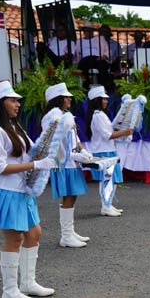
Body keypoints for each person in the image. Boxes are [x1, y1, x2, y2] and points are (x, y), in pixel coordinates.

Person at [0, 81, 56, 298]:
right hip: (5, 191)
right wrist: (36, 165)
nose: (18, 104)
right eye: (12, 100)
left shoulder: (14, 126)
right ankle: (9, 292)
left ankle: (28, 283)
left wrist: (69, 155)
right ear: (0, 104)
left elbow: (34, 151)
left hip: (21, 190)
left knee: (34, 233)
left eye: (17, 100)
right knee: (14, 239)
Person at [42, 83, 91, 247]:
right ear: (58, 99)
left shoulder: (66, 115)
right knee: (68, 196)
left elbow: (75, 137)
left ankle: (70, 231)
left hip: (72, 162)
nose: (70, 98)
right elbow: (52, 144)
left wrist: (82, 150)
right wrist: (71, 155)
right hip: (63, 163)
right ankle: (66, 236)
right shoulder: (51, 118)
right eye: (66, 96)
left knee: (73, 195)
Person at [84, 86, 134, 215]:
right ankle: (105, 207)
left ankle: (108, 205)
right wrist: (126, 132)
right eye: (103, 99)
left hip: (108, 150)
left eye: (106, 99)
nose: (106, 101)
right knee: (107, 180)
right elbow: (107, 135)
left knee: (112, 180)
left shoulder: (100, 115)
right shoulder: (98, 116)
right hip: (103, 152)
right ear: (97, 100)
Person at [75, 22, 111, 87]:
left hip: (98, 58)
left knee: (102, 67)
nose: (88, 32)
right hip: (85, 60)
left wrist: (104, 56)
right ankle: (86, 86)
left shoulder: (100, 39)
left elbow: (107, 50)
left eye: (90, 30)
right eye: (86, 30)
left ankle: (104, 86)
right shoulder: (79, 41)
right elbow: (76, 53)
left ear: (92, 31)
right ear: (83, 31)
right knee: (84, 66)